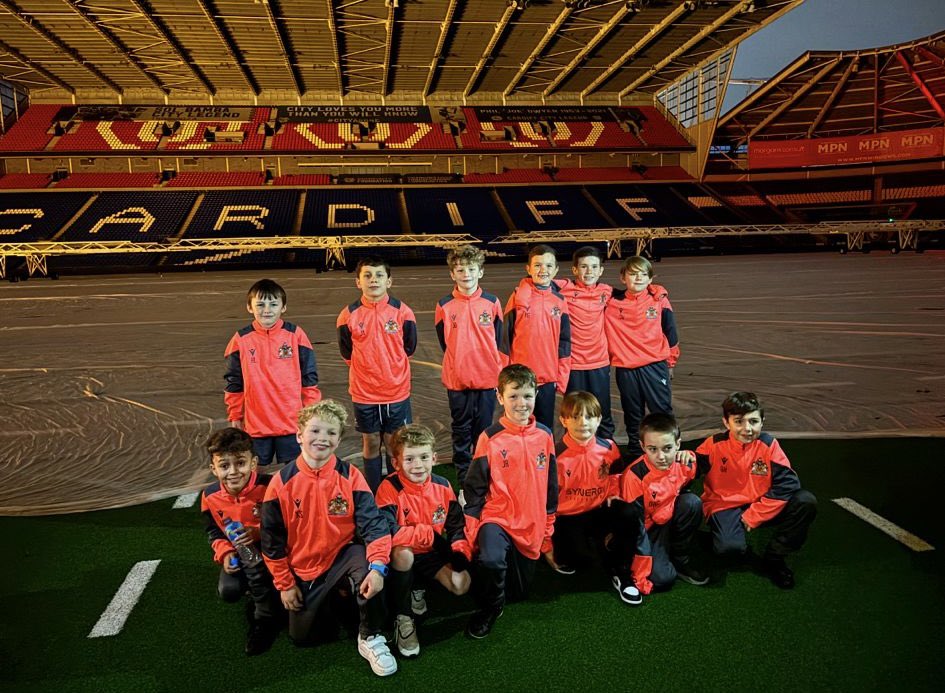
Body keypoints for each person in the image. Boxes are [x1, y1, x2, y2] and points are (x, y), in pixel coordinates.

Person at [261, 400, 397, 677]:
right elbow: (271, 543)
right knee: (302, 637)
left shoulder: (351, 476)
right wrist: (286, 584)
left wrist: (378, 567)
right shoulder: (280, 483)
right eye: (315, 431)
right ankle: (336, 597)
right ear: (299, 435)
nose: (322, 438)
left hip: (344, 556)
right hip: (304, 567)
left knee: (367, 568)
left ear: (338, 440)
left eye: (331, 432)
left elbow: (374, 526)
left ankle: (370, 636)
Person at [462, 364, 558, 638]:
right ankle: (491, 608)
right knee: (492, 561)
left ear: (536, 395)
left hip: (531, 523)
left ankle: (501, 576)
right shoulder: (490, 438)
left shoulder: (545, 435)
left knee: (519, 593)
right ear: (500, 396)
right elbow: (474, 487)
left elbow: (551, 485)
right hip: (498, 518)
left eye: (527, 395)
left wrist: (548, 525)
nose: (521, 403)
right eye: (513, 395)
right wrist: (473, 528)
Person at [695, 392, 818, 589]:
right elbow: (689, 470)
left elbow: (788, 484)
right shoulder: (713, 444)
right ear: (726, 422)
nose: (747, 428)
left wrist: (755, 515)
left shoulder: (769, 444)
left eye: (753, 421)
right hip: (725, 505)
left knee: (805, 501)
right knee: (730, 549)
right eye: (739, 421)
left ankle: (775, 558)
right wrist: (683, 458)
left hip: (760, 504)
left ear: (762, 422)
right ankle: (714, 536)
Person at [375, 424, 471, 658]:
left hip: (430, 553)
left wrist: (459, 552)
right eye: (409, 459)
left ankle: (417, 587)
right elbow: (387, 531)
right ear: (396, 463)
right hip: (400, 555)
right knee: (403, 553)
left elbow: (456, 527)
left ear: (434, 458)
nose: (418, 465)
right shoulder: (388, 488)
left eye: (424, 457)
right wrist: (427, 534)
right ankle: (403, 615)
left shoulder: (443, 486)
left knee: (462, 584)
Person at [549, 391, 649, 606]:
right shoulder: (555, 455)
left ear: (599, 419)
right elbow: (545, 501)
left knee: (628, 512)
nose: (583, 423)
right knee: (581, 561)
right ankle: (593, 546)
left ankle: (623, 574)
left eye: (589, 416)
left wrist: (613, 491)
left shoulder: (609, 447)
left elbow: (616, 475)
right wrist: (545, 544)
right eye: (575, 417)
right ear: (563, 420)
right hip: (568, 517)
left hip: (598, 510)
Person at [337, 256, 418, 492]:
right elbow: (347, 353)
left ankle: (393, 492)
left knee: (394, 443)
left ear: (388, 281)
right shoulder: (348, 315)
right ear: (358, 282)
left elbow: (409, 347)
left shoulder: (403, 312)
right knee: (371, 441)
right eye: (367, 275)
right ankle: (373, 494)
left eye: (379, 275)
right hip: (364, 393)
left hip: (396, 391)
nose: (373, 280)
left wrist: (390, 369)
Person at [200, 427, 281, 655]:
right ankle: (263, 617)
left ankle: (265, 611)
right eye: (224, 466)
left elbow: (290, 524)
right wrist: (225, 552)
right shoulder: (209, 496)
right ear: (213, 469)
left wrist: (258, 532)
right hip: (244, 551)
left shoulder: (271, 486)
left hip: (277, 547)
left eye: (240, 463)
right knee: (229, 590)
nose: (233, 472)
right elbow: (214, 531)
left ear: (253, 463)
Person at [224, 278, 321, 467]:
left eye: (273, 304)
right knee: (256, 472)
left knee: (294, 472)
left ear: (283, 307)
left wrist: (311, 412)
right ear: (249, 307)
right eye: (260, 304)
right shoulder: (240, 340)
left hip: (292, 423)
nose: (267, 310)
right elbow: (234, 383)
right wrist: (235, 415)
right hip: (256, 425)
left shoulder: (296, 335)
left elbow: (309, 379)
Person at [434, 245, 505, 498]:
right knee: (461, 433)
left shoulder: (492, 303)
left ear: (480, 272)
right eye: (460, 270)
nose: (466, 274)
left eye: (471, 269)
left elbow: (498, 340)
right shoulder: (444, 305)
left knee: (484, 433)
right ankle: (465, 485)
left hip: (487, 379)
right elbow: (445, 342)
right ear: (452, 274)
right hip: (457, 381)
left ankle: (483, 482)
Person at [620, 412, 708, 591]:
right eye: (653, 449)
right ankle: (658, 553)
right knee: (663, 579)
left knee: (692, 503)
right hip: (647, 529)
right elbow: (636, 527)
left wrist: (692, 454)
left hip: (669, 516)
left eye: (667, 448)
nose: (661, 456)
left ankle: (680, 558)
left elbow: (708, 461)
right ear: (642, 446)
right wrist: (640, 571)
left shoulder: (684, 462)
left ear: (678, 444)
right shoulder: (634, 476)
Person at [604, 255, 678, 459]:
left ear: (650, 279)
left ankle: (669, 453)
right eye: (633, 274)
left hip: (654, 365)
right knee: (632, 413)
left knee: (661, 411)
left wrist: (671, 362)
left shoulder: (659, 299)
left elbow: (671, 332)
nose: (638, 278)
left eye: (643, 274)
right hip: (626, 369)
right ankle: (637, 455)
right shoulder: (610, 302)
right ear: (623, 277)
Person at [504, 244, 571, 430]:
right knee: (517, 425)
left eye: (549, 266)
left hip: (547, 378)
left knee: (544, 427)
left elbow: (565, 343)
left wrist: (562, 377)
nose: (543, 270)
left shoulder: (560, 301)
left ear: (556, 270)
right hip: (519, 378)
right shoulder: (517, 297)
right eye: (537, 265)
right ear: (528, 269)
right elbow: (504, 339)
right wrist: (503, 375)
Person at [556, 246, 615, 440]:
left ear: (601, 270)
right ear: (575, 270)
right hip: (573, 364)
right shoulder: (564, 289)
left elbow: (633, 293)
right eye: (583, 266)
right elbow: (535, 282)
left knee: (601, 410)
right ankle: (571, 451)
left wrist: (655, 290)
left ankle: (608, 449)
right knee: (573, 412)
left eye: (594, 267)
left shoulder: (607, 291)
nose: (589, 271)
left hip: (599, 362)